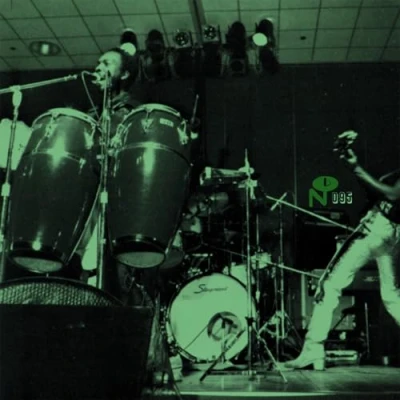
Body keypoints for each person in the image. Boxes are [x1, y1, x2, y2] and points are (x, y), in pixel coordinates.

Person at [281, 130, 400, 370]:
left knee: (329, 285)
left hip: (377, 228)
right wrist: (354, 167)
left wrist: (357, 168)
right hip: (392, 232)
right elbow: (379, 193)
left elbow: (393, 194)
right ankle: (313, 352)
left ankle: (313, 351)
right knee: (391, 295)